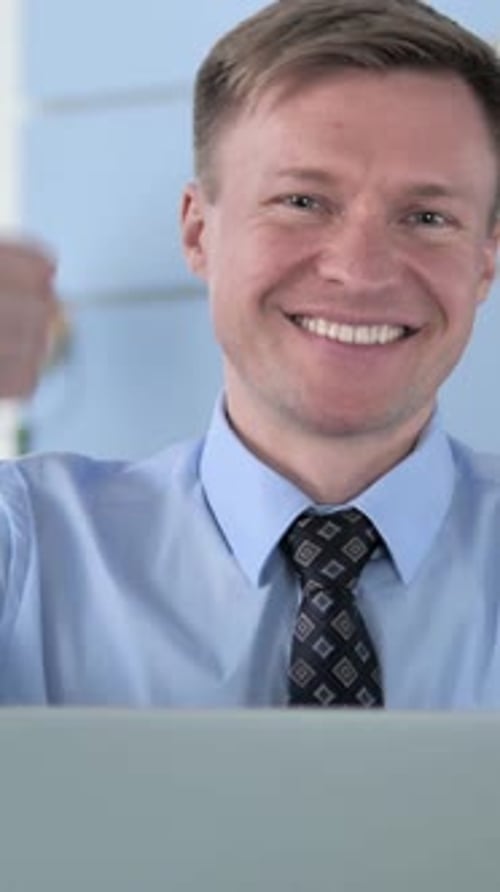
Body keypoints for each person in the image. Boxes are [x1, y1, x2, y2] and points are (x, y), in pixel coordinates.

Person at [0, 0, 499, 707]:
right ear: (200, 233)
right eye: (302, 201)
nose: (361, 271)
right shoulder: (26, 547)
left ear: (485, 263)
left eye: (427, 217)